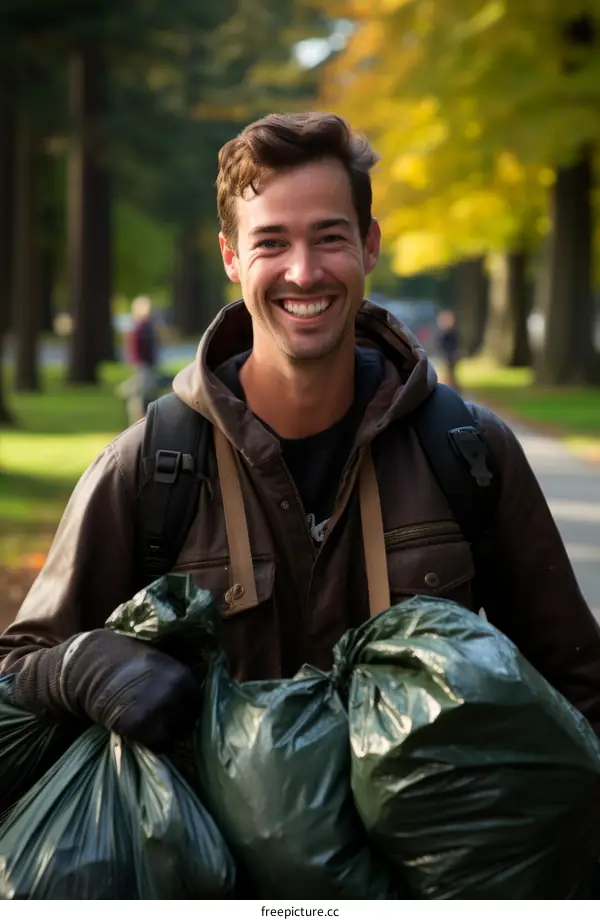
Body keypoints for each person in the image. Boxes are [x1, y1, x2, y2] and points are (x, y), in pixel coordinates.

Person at [1, 112, 600, 751]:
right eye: (272, 243)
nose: (304, 272)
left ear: (369, 246)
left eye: (329, 237)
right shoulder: (150, 465)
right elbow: (18, 667)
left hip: (425, 851)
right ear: (232, 256)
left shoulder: (467, 450)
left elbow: (578, 687)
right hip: (199, 851)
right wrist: (86, 667)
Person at [119, 295, 160, 424]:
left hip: (148, 364)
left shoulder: (147, 327)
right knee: (142, 393)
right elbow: (135, 348)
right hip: (143, 364)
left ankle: (144, 418)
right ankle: (140, 420)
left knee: (146, 392)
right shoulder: (140, 328)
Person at [435, 309, 461, 391]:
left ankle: (453, 386)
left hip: (451, 355)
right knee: (446, 372)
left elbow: (456, 344)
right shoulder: (443, 334)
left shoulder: (453, 333)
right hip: (445, 355)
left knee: (451, 373)